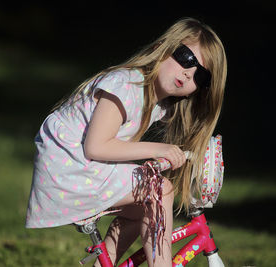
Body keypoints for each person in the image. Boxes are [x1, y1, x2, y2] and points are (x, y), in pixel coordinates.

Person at [25, 17, 227, 266]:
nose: (189, 73)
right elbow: (96, 146)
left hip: (78, 167)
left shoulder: (156, 104)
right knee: (160, 190)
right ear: (161, 47)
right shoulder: (125, 83)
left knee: (143, 209)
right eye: (186, 58)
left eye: (201, 76)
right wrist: (159, 149)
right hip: (68, 168)